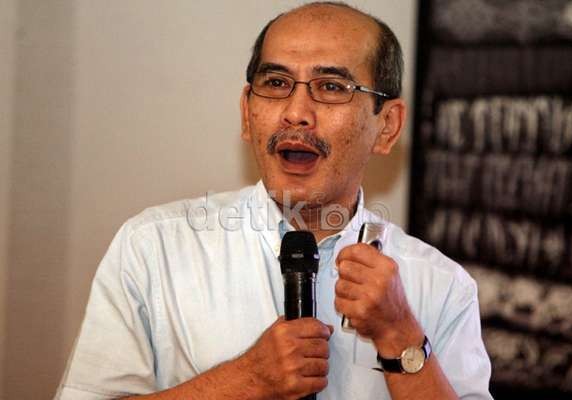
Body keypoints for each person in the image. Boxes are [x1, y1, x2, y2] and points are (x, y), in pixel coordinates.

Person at [54, 2, 492, 399]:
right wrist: (245, 380)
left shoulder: (441, 286)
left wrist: (400, 336)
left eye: (331, 87)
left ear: (387, 127)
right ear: (247, 113)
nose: (295, 113)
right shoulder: (154, 248)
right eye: (277, 83)